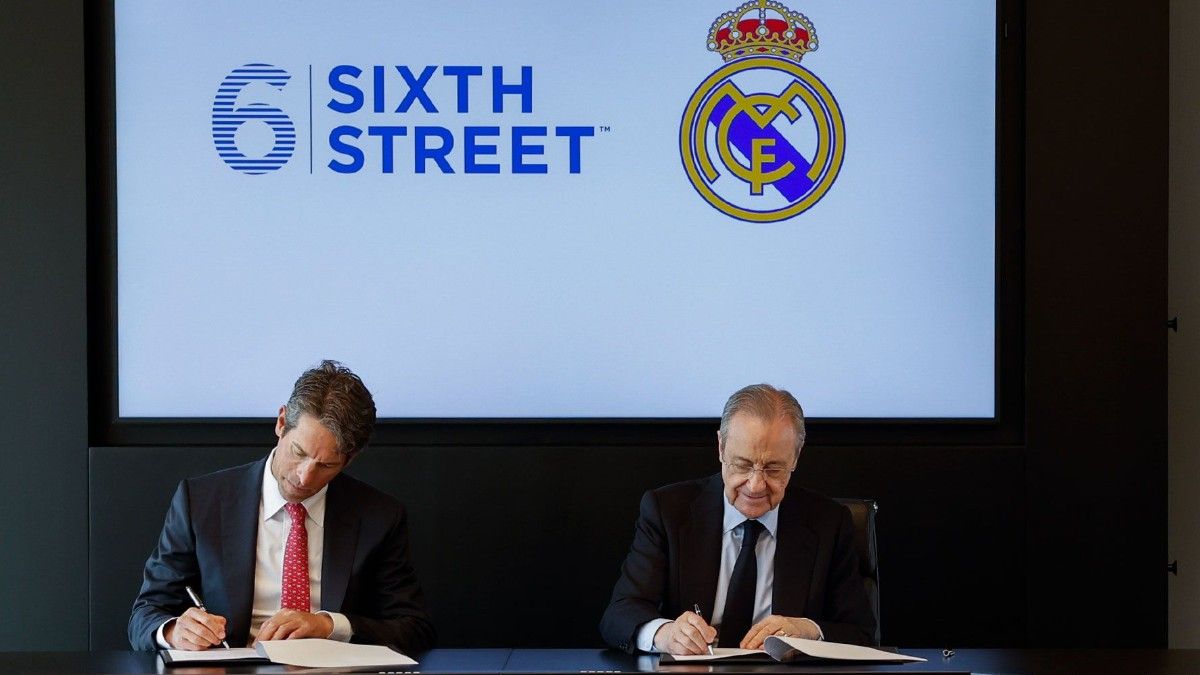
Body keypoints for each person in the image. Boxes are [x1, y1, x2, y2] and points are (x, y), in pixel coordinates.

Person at [128, 360, 435, 653]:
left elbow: (414, 629)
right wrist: (172, 631)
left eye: (326, 465)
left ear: (349, 459)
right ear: (281, 422)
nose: (304, 477)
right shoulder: (200, 502)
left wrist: (329, 625)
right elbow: (146, 613)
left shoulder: (379, 517)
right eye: (298, 452)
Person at [599, 384, 876, 654]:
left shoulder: (828, 522)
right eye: (742, 465)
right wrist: (665, 634)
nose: (755, 485)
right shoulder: (668, 511)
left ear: (795, 458)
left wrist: (808, 631)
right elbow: (620, 614)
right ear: (721, 447)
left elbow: (860, 632)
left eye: (773, 468)